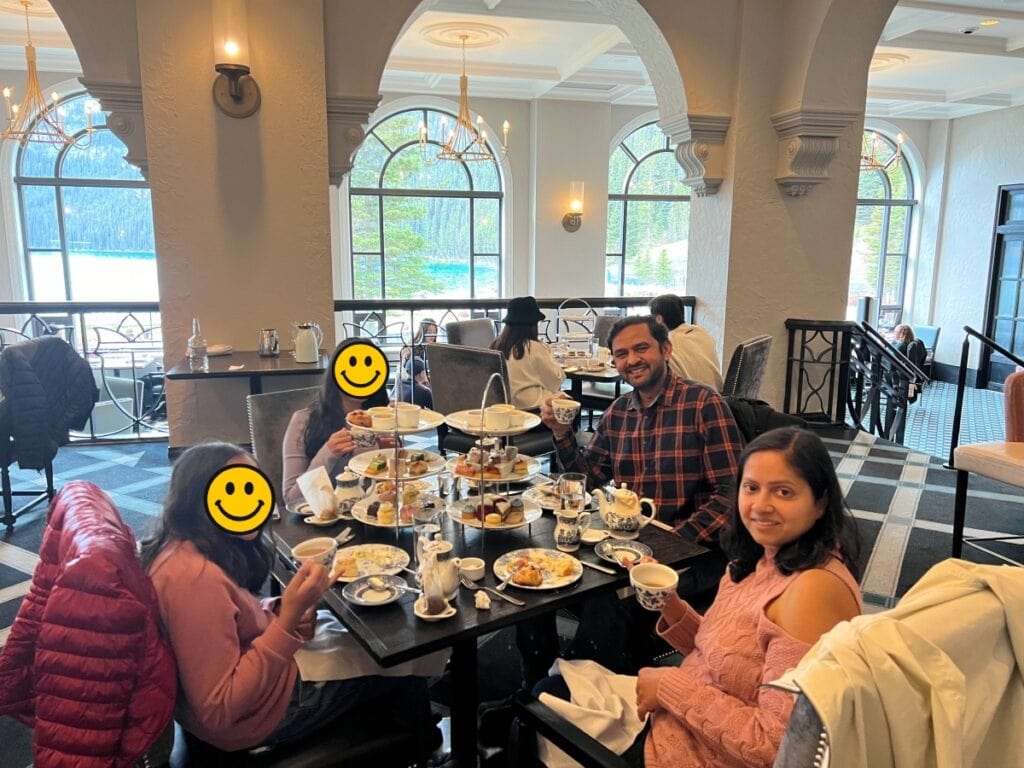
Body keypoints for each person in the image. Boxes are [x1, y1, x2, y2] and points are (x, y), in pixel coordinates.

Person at [529, 427, 863, 768]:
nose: (761, 506)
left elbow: (778, 749)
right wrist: (670, 605)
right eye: (751, 488)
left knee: (533, 715)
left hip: (688, 752)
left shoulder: (813, 591)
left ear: (820, 502)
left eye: (784, 492)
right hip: (683, 718)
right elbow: (726, 658)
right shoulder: (764, 557)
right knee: (549, 687)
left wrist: (669, 687)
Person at [140, 442, 439, 753]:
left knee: (375, 634)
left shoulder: (183, 547)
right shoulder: (193, 580)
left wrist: (282, 610)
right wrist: (285, 623)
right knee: (398, 654)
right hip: (257, 717)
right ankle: (424, 745)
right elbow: (219, 709)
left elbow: (231, 622)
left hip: (262, 683)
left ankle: (418, 733)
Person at [513, 316, 743, 684]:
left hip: (696, 553)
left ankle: (572, 689)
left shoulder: (703, 405)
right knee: (540, 570)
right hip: (630, 545)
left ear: (665, 349)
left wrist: (673, 543)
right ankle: (535, 679)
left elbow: (732, 494)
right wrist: (561, 433)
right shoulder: (619, 412)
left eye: (641, 348)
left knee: (604, 602)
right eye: (621, 354)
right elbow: (588, 478)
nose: (632, 360)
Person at [282, 338, 393, 504]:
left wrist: (391, 459)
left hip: (375, 519)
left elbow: (393, 491)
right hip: (323, 522)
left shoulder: (384, 420)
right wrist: (328, 453)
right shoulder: (304, 421)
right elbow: (291, 499)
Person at [491, 296, 565, 410]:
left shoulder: (496, 345)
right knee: (569, 403)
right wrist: (551, 357)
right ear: (533, 325)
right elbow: (555, 382)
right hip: (530, 406)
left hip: (503, 406)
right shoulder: (533, 347)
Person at [649, 294, 723, 391]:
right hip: (718, 396)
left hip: (690, 400)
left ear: (659, 319)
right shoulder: (702, 333)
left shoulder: (666, 346)